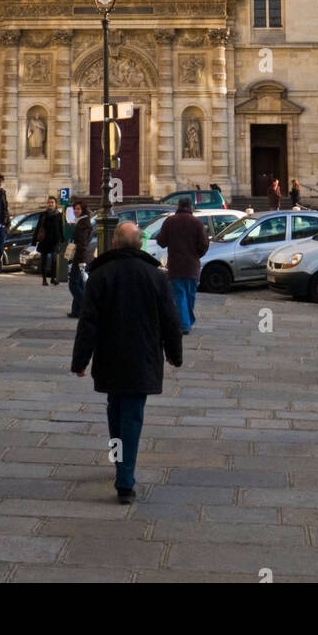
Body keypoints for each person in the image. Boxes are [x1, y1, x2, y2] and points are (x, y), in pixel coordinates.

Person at [71, 221, 183, 503]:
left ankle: (121, 465)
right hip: (142, 357)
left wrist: (80, 360)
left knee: (116, 409)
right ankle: (125, 481)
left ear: (114, 243)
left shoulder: (100, 274)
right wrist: (174, 354)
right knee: (131, 415)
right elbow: (171, 320)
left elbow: (88, 322)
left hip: (110, 355)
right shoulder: (155, 276)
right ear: (141, 244)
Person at [155, 196, 209, 335]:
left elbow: (161, 241)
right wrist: (196, 255)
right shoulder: (197, 222)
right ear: (190, 207)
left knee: (179, 295)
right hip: (192, 266)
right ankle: (187, 322)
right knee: (190, 295)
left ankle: (184, 323)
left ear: (178, 206)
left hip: (176, 265)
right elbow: (204, 244)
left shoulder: (170, 221)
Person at [67, 200, 94, 319]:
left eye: (78, 209)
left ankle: (85, 308)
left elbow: (82, 243)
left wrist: (81, 260)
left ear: (83, 210)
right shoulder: (81, 221)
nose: (76, 211)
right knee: (79, 284)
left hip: (80, 257)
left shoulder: (83, 223)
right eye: (75, 209)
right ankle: (76, 311)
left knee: (73, 284)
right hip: (80, 256)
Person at [33, 195, 64, 285]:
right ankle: (44, 279)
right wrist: (34, 240)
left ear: (55, 204)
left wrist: (62, 238)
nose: (50, 204)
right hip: (44, 240)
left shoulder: (59, 215)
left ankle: (53, 278)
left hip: (54, 240)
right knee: (44, 260)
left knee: (54, 260)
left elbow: (60, 228)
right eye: (49, 202)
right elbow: (38, 227)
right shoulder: (43, 214)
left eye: (52, 202)